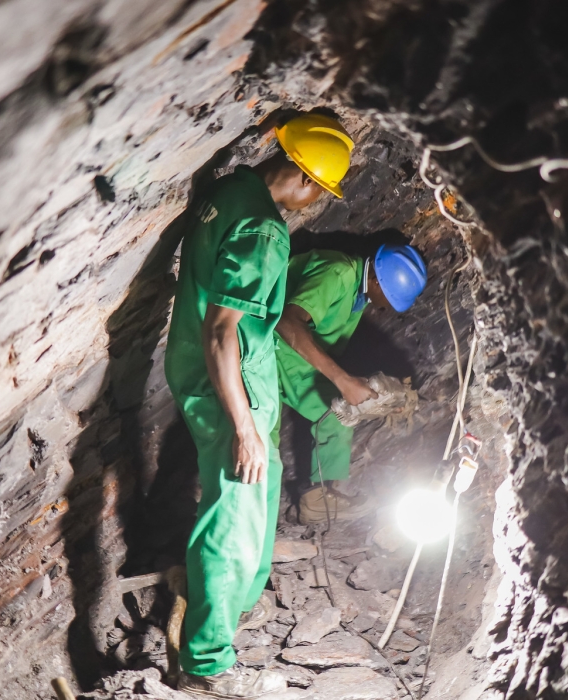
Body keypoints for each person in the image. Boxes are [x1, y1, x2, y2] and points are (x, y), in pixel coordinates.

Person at [164, 113, 354, 699]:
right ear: (304, 177)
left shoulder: (229, 190)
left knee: (262, 486)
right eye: (320, 190)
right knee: (234, 515)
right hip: (230, 385)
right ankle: (206, 663)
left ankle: (230, 606)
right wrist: (245, 427)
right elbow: (223, 330)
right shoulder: (266, 231)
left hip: (211, 369)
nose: (314, 201)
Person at [274, 244, 428, 524]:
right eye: (389, 298)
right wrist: (342, 380)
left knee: (341, 413)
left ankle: (318, 499)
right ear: (376, 280)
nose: (387, 307)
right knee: (262, 441)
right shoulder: (338, 273)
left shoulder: (358, 293)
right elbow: (287, 322)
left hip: (291, 358)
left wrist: (377, 400)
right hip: (272, 349)